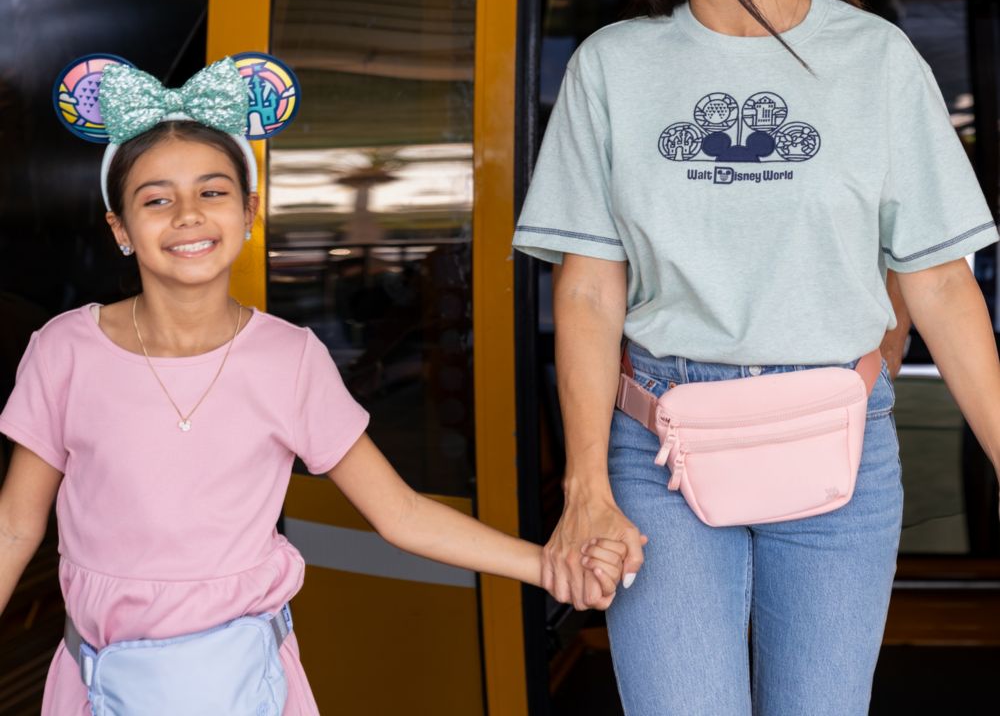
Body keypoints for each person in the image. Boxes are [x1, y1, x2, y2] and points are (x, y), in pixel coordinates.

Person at [512, 0, 1000, 716]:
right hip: (657, 454)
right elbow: (585, 295)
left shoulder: (876, 60)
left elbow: (940, 284)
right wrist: (583, 488)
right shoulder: (613, 67)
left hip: (839, 449)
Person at [0, 57, 625, 715]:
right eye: (156, 199)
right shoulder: (66, 350)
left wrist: (548, 566)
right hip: (97, 686)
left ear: (248, 212)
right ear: (121, 229)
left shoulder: (289, 359)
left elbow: (401, 513)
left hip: (245, 687)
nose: (187, 215)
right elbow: (16, 522)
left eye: (212, 192)